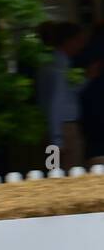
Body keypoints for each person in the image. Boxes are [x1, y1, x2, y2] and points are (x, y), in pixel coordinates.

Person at [39, 23, 87, 168]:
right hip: (63, 130)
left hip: (54, 128)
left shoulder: (50, 63)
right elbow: (56, 103)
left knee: (54, 170)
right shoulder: (58, 67)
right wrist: (57, 140)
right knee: (67, 175)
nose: (81, 45)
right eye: (79, 40)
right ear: (69, 41)